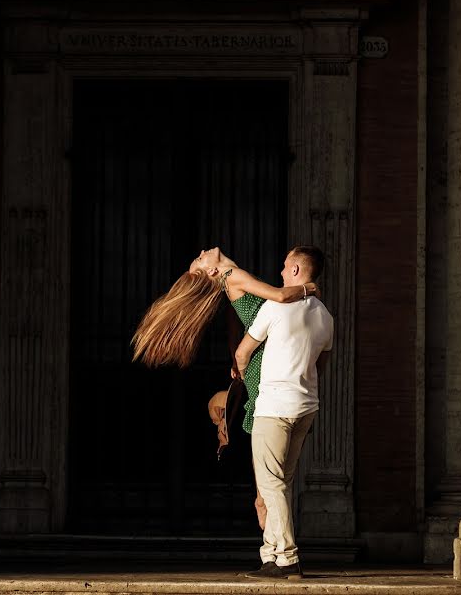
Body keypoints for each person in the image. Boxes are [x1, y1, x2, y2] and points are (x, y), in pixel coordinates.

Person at [131, 247, 319, 527]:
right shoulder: (233, 275)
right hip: (263, 368)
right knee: (270, 472)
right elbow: (279, 296)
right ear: (212, 271)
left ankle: (268, 525)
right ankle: (268, 525)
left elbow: (237, 318)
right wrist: (309, 287)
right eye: (199, 258)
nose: (203, 251)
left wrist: (235, 354)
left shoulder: (231, 282)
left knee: (267, 465)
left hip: (260, 363)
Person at [234, 246, 334, 580]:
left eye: (284, 266)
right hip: (306, 407)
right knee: (282, 482)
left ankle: (288, 557)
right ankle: (271, 556)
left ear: (295, 271)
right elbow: (322, 364)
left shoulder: (275, 307)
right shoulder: (325, 316)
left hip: (274, 407)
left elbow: (243, 351)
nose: (279, 273)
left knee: (271, 485)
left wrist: (243, 376)